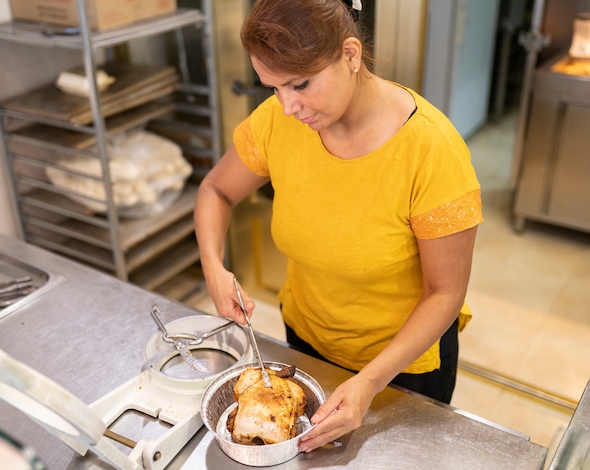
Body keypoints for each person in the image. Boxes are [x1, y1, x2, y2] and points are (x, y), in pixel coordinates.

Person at [194, 0, 483, 453]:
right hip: (305, 343)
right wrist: (213, 266)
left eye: (300, 84)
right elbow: (217, 190)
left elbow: (445, 292)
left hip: (401, 369)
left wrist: (368, 383)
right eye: (272, 89)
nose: (288, 106)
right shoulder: (278, 123)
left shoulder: (431, 151)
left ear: (351, 55)